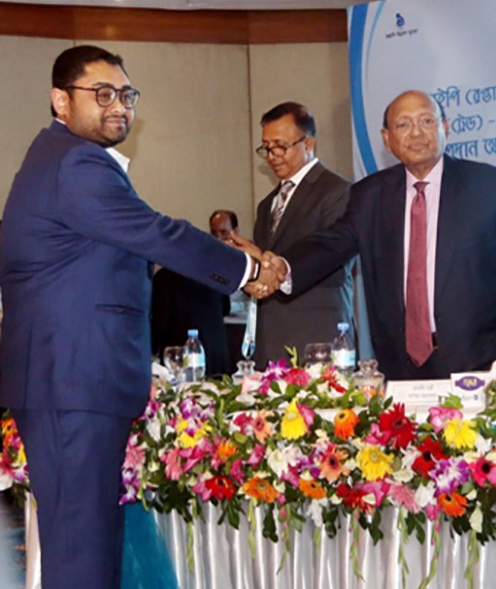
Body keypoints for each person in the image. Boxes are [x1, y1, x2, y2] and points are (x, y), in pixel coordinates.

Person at [0, 45, 281, 589]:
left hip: (73, 382)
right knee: (82, 554)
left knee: (90, 545)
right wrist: (247, 269)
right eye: (102, 94)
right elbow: (157, 233)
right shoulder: (75, 163)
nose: (119, 106)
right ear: (61, 100)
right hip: (73, 383)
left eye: (126, 95)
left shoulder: (63, 158)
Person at [239, 90, 496, 380]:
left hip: (479, 365)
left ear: (445, 128)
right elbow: (331, 244)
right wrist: (280, 267)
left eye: (427, 121)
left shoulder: (490, 187)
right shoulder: (370, 195)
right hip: (399, 366)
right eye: (403, 124)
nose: (417, 133)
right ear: (387, 139)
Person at [251, 102, 355, 366]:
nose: (272, 156)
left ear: (308, 144)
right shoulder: (266, 205)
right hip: (271, 342)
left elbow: (332, 258)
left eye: (280, 146)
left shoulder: (338, 191)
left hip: (318, 337)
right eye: (266, 147)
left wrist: (279, 268)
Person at [150, 210, 241, 377]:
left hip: (182, 360)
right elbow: (225, 308)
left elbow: (159, 324)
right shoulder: (214, 272)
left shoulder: (164, 278)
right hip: (218, 356)